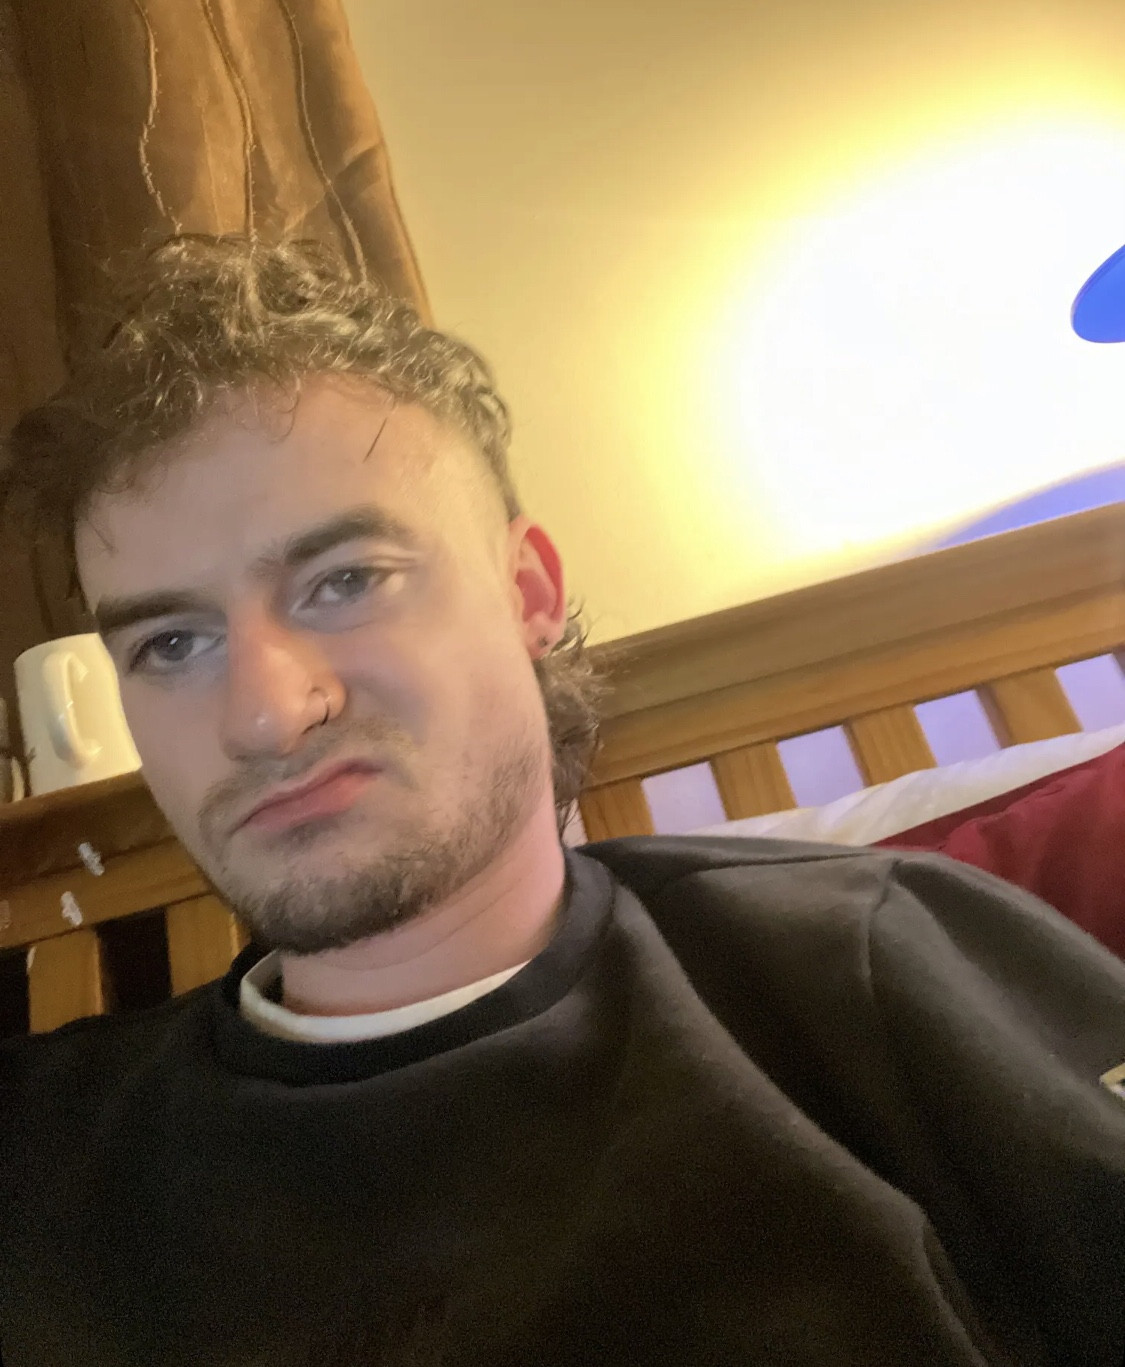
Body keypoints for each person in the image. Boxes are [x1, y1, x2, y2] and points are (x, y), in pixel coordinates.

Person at [0, 235, 1121, 1367]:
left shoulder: (871, 960)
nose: (264, 714)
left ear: (527, 591)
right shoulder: (39, 1158)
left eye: (344, 581)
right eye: (172, 642)